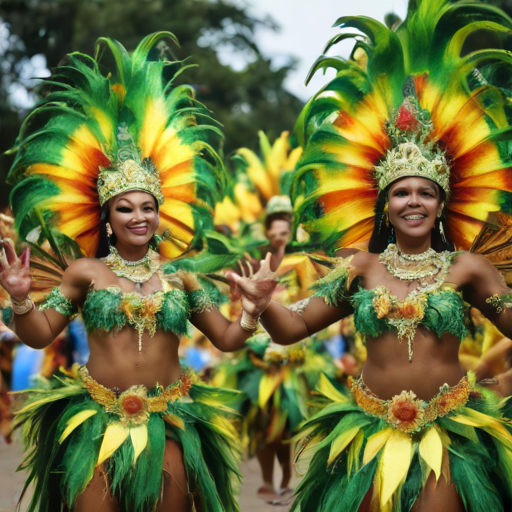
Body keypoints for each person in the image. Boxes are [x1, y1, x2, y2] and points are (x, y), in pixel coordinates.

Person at [229, 2, 512, 510]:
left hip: (448, 434)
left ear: (443, 204)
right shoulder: (360, 267)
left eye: (425, 193)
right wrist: (262, 302)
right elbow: (292, 329)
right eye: (402, 194)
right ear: (385, 204)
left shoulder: (468, 268)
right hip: (369, 428)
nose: (414, 203)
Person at [0, 32, 275, 512]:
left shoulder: (183, 276)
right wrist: (21, 298)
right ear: (107, 217)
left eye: (148, 207)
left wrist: (252, 310)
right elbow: (40, 335)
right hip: (96, 418)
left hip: (168, 418)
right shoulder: (84, 272)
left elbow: (227, 339)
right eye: (125, 208)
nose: (139, 217)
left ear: (160, 214)